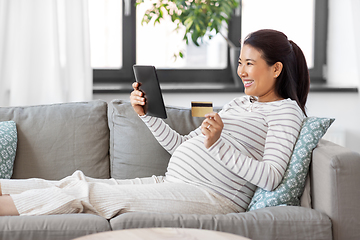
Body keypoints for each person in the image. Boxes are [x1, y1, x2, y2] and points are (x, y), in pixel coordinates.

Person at [0, 29, 309, 218]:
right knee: (73, 181)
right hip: (174, 184)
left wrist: (218, 145)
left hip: (214, 198)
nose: (241, 71)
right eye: (240, 62)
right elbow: (180, 146)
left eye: (250, 64)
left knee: (84, 193)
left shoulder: (286, 112)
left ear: (277, 68)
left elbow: (270, 177)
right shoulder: (241, 103)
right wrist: (146, 116)